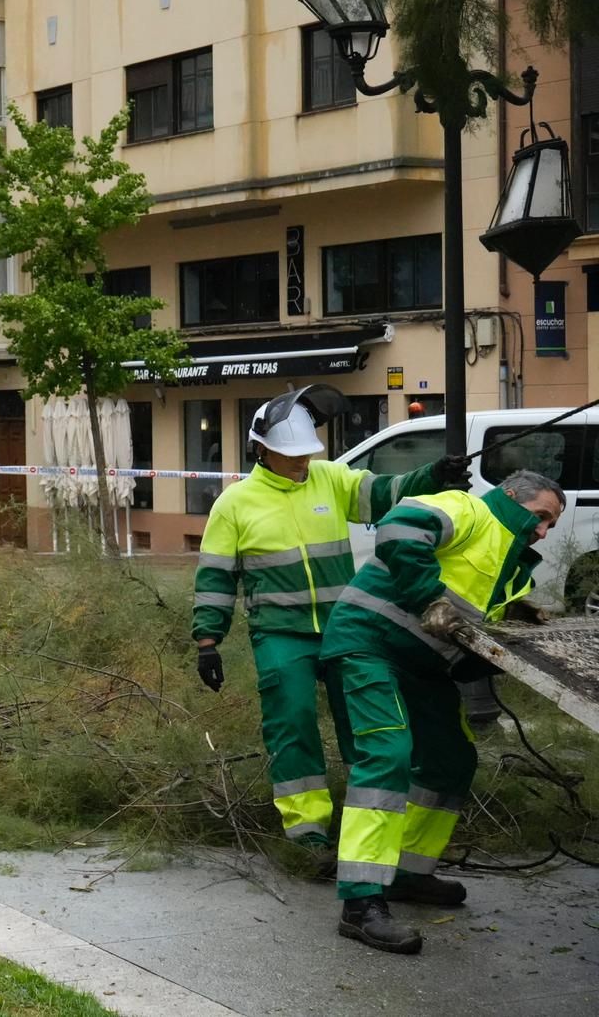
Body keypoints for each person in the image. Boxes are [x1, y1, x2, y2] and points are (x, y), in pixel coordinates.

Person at [192, 386, 470, 870]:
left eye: (305, 455)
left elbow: (385, 492)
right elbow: (216, 576)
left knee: (365, 725)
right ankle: (307, 834)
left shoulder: (331, 478)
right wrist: (207, 640)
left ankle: (369, 826)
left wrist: (433, 476)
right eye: (290, 456)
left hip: (345, 628)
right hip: (280, 633)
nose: (301, 463)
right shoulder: (234, 504)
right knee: (293, 723)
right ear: (261, 449)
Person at [320, 469, 563, 955]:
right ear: (512, 498)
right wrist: (427, 597)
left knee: (451, 760)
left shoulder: (513, 568)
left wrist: (516, 622)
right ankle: (361, 901)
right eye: (540, 517)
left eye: (551, 526)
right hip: (367, 645)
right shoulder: (468, 509)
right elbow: (399, 528)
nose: (542, 531)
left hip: (424, 666)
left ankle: (407, 874)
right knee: (387, 755)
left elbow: (469, 625)